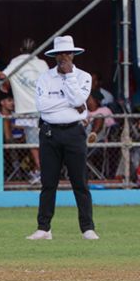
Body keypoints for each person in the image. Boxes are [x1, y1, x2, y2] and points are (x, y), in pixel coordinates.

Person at [28, 35, 98, 241]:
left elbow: (78, 99)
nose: (63, 57)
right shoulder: (44, 77)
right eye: (60, 53)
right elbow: (42, 107)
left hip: (74, 133)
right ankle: (44, 228)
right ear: (54, 56)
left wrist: (69, 79)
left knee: (80, 182)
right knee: (48, 182)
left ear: (73, 55)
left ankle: (87, 228)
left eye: (67, 53)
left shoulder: (83, 76)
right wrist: (71, 104)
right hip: (50, 132)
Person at [1, 37, 49, 183]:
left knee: (33, 144)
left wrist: (7, 85)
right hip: (43, 107)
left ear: (21, 49)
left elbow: (3, 76)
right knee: (43, 142)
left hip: (26, 108)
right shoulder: (42, 63)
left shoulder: (16, 62)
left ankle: (41, 172)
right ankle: (41, 171)